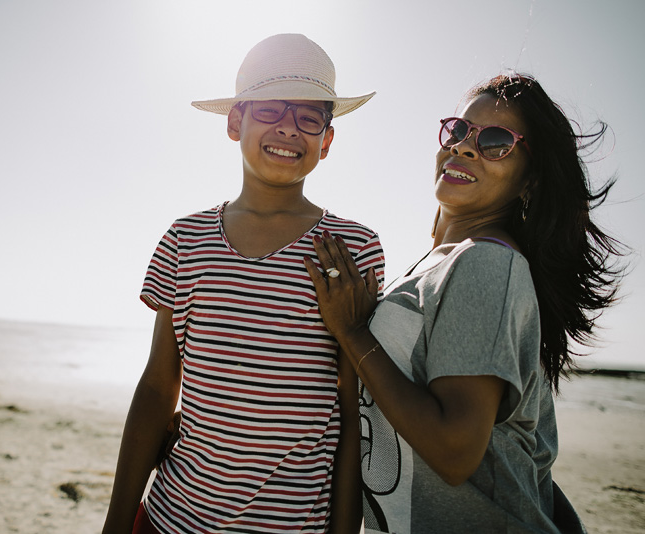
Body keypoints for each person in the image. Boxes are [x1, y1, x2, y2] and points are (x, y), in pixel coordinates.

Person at [304, 74, 626, 533]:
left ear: (529, 181)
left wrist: (353, 333)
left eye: (496, 141)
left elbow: (455, 451)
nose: (464, 147)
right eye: (459, 130)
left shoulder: (485, 265)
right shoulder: (440, 264)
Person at [102, 33, 385, 534]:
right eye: (271, 111)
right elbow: (156, 387)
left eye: (309, 117)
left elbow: (349, 416)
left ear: (328, 139)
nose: (289, 130)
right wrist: (116, 523)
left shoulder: (352, 250)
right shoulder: (185, 239)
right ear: (236, 122)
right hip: (173, 518)